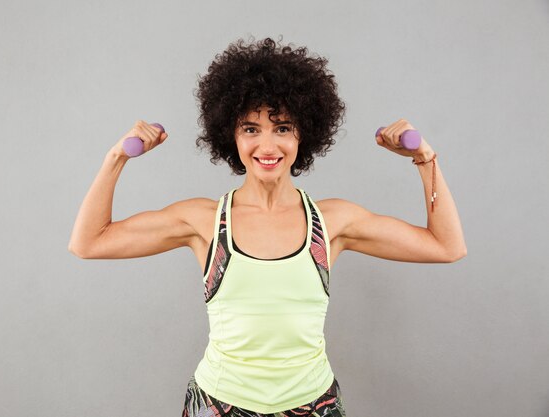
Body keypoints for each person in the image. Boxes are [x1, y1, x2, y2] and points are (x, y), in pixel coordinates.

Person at [68, 36, 467, 417]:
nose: (268, 146)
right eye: (250, 129)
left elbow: (446, 246)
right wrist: (116, 158)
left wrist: (425, 159)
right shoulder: (204, 221)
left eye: (282, 128)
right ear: (231, 134)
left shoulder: (332, 222)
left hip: (313, 405)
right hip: (218, 404)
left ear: (303, 133)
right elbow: (89, 242)